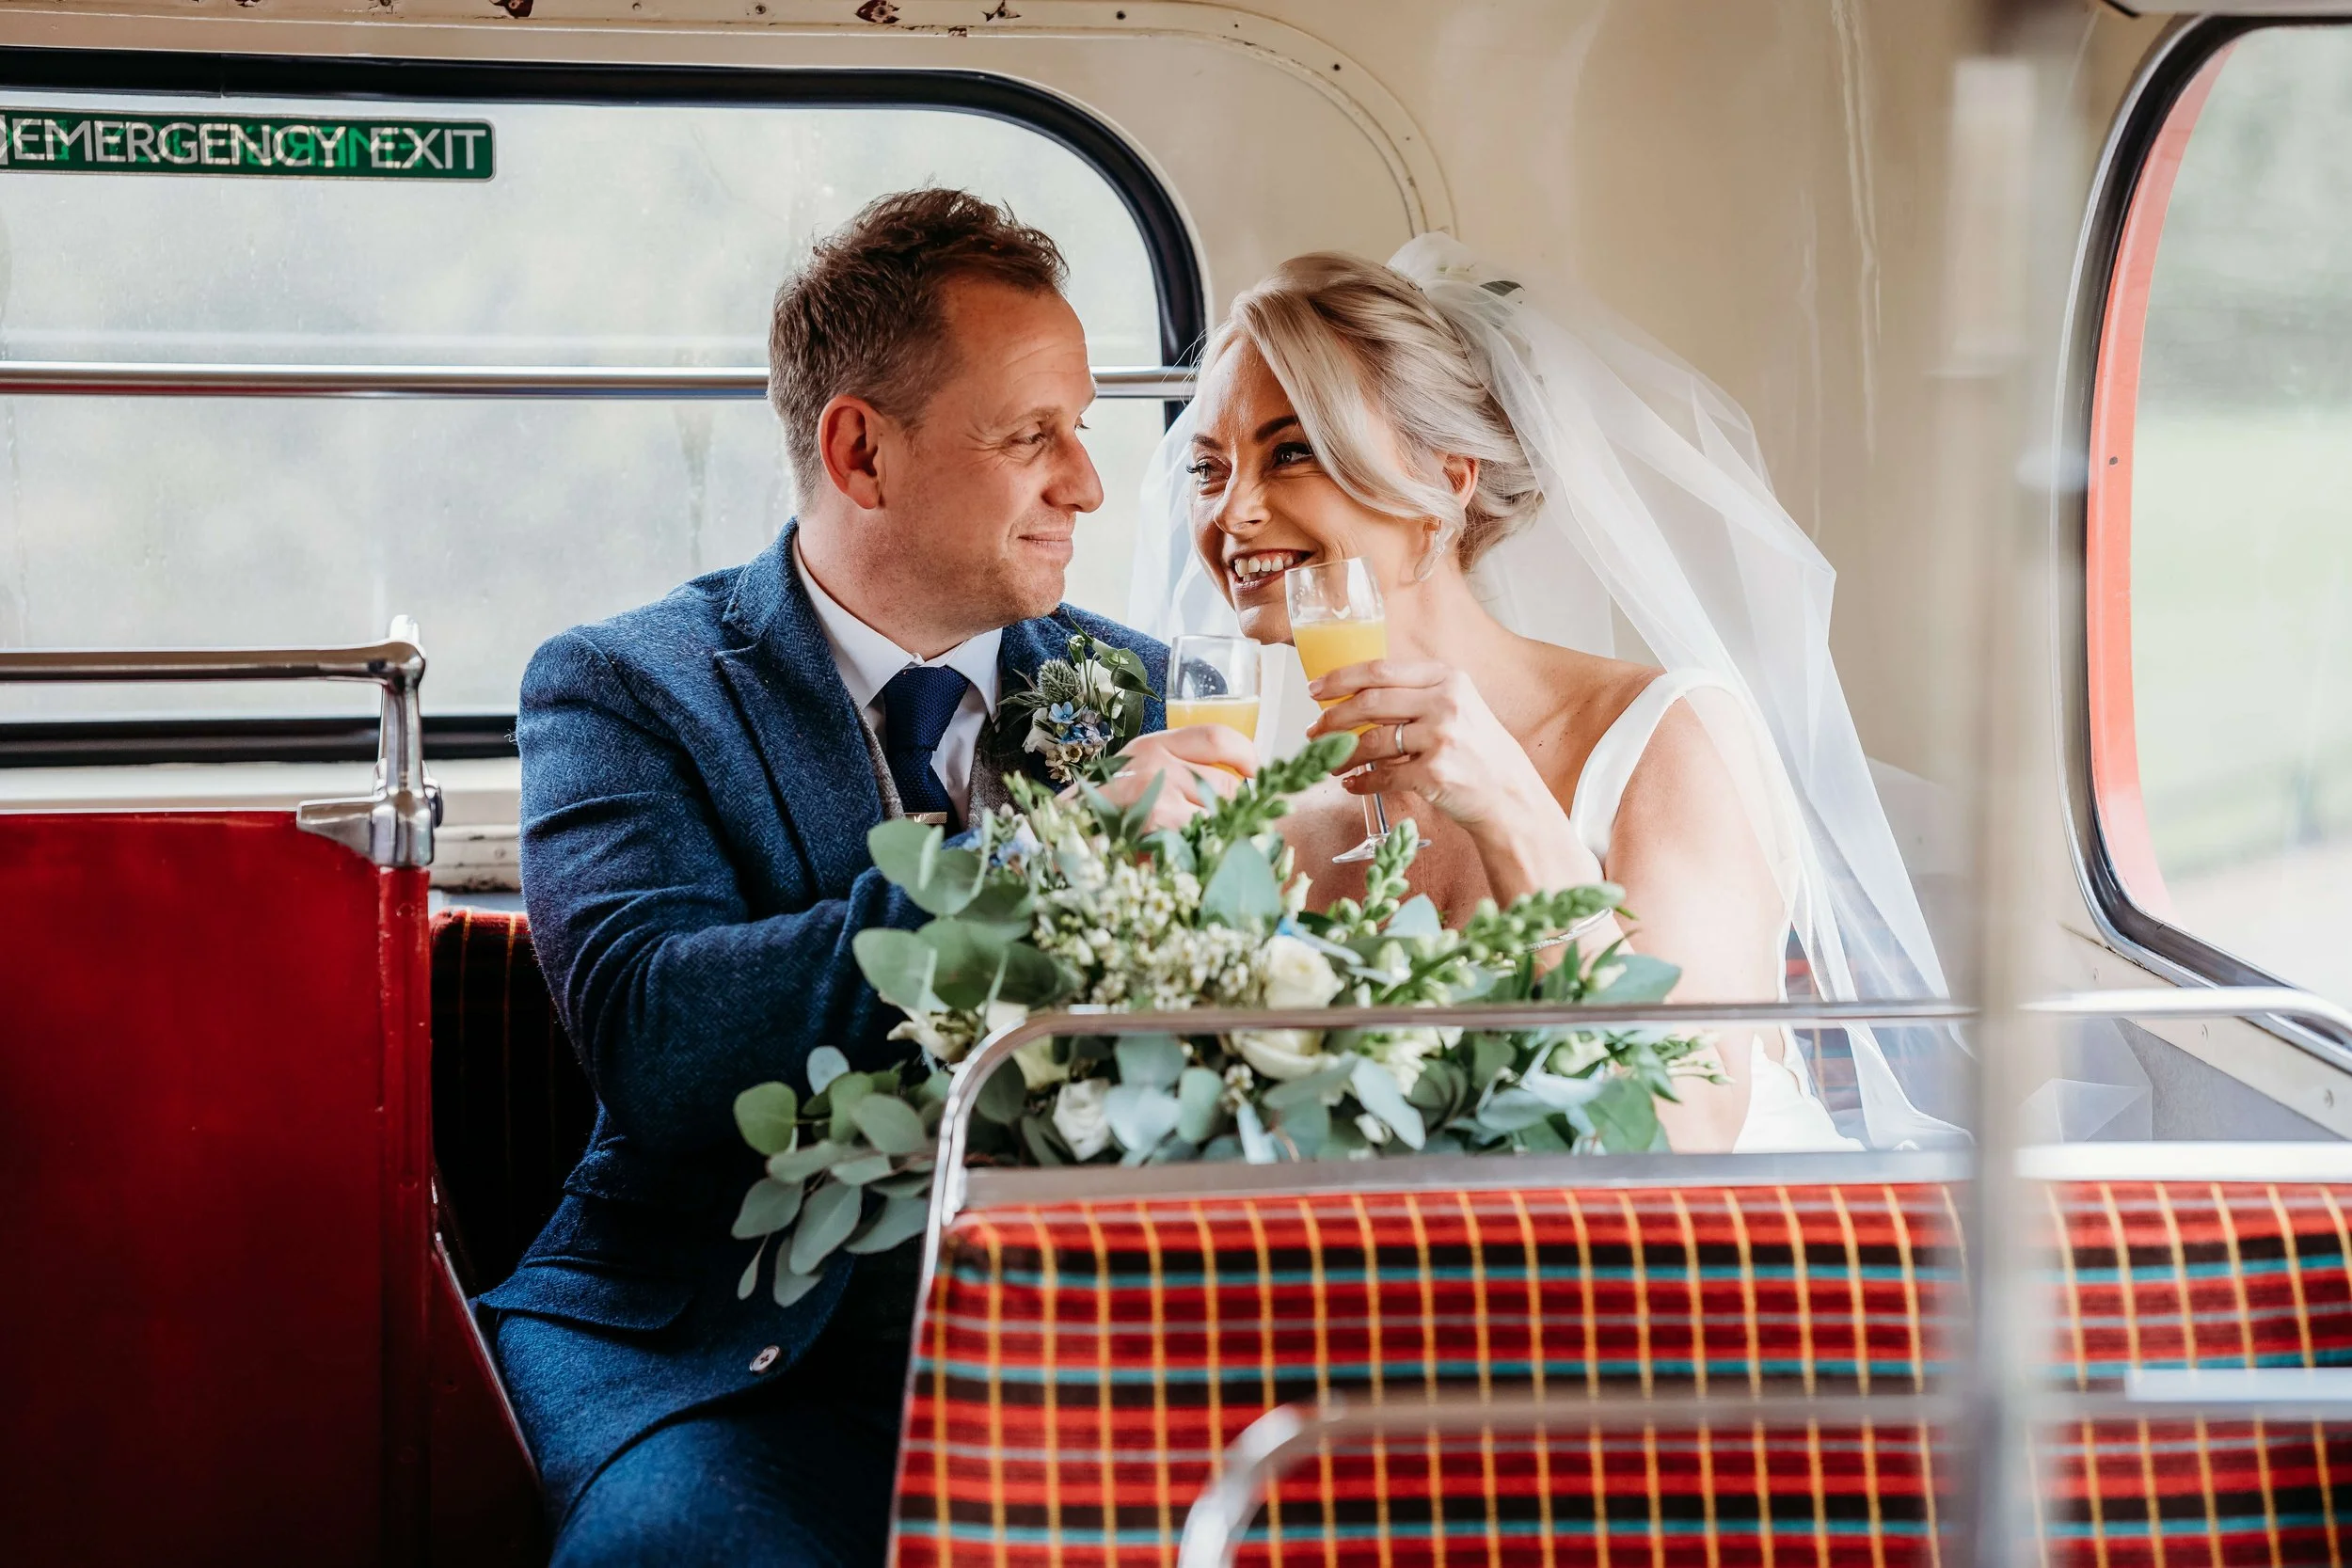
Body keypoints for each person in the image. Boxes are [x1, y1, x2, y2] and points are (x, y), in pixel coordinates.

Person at [487, 189, 1252, 1567]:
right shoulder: (624, 684)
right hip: (717, 1341)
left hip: (1077, 1333)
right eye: (1033, 436)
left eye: (1081, 428)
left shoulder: (1140, 691)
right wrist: (1050, 862)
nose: (1084, 481)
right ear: (860, 450)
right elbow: (662, 1039)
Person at [1133, 237, 1963, 1154]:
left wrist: (1513, 810)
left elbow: (1683, 1126)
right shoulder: (1282, 822)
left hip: (1714, 1269)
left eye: (1290, 451)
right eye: (1207, 469)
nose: (1229, 511)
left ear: (1442, 486)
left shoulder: (1668, 736)